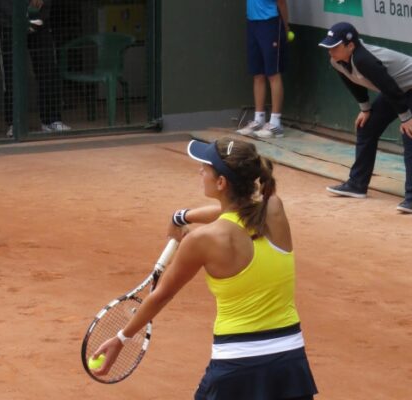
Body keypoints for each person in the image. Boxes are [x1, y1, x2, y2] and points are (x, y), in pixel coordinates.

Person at [91, 137, 318, 399]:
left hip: (236, 366)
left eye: (205, 168)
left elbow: (161, 295)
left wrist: (121, 338)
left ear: (221, 183)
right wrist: (181, 216)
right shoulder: (274, 209)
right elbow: (237, 212)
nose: (200, 171)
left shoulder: (201, 240)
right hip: (289, 363)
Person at [319, 22, 412, 214]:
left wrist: (406, 118)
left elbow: (388, 87)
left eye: (335, 47)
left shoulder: (364, 59)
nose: (330, 51)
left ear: (350, 45)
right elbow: (352, 82)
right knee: (366, 127)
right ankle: (357, 184)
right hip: (397, 90)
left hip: (404, 88)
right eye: (329, 46)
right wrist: (365, 108)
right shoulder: (336, 61)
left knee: (410, 135)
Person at [0, 0, 71, 137]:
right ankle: (15, 123)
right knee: (12, 74)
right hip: (10, 24)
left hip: (39, 22)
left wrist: (39, 7)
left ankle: (51, 120)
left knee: (48, 69)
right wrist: (20, 16)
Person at [236, 0, 289, 139]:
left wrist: (285, 27)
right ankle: (259, 120)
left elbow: (281, 2)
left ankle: (276, 123)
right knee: (258, 74)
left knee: (273, 74)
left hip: (271, 22)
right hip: (252, 22)